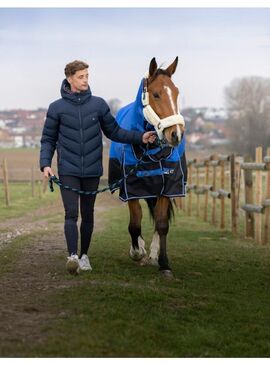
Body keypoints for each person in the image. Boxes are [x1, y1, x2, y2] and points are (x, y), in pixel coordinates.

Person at [40, 60, 156, 275]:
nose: (85, 80)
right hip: (68, 169)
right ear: (70, 78)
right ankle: (72, 256)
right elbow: (48, 139)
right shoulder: (56, 108)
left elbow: (115, 132)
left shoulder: (99, 105)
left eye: (87, 76)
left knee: (88, 214)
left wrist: (140, 137)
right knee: (71, 213)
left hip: (92, 170)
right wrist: (45, 164)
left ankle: (84, 256)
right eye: (81, 77)